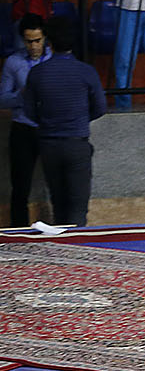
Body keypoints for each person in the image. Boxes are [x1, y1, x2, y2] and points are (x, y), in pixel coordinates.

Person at [22, 17, 107, 228]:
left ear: (49, 42)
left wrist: (48, 123)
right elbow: (100, 107)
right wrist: (79, 119)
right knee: (78, 206)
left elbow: (29, 110)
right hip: (76, 143)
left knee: (58, 203)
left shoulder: (38, 73)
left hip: (49, 144)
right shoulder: (86, 71)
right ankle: (76, 244)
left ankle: (59, 244)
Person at [1, 14, 51, 227]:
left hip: (49, 127)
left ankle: (60, 228)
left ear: (45, 38)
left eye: (37, 40)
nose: (34, 46)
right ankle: (18, 231)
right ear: (23, 40)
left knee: (56, 183)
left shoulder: (54, 59)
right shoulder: (13, 62)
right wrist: (22, 95)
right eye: (29, 41)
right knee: (20, 186)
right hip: (23, 128)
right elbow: (2, 99)